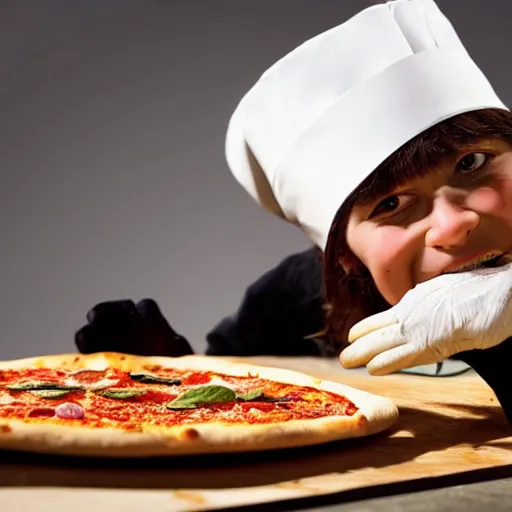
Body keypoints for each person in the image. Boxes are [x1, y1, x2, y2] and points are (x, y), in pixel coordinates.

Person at [75, 0, 512, 418]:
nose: (453, 224)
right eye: (391, 204)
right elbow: (234, 407)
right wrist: (171, 378)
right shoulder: (296, 297)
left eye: (471, 163)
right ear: (344, 254)